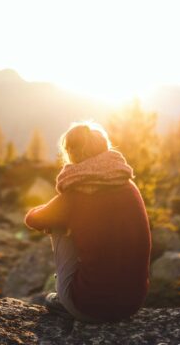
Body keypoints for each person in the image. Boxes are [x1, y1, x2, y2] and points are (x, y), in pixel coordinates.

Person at [24, 122, 151, 322]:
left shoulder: (76, 193)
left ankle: (65, 292)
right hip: (132, 305)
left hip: (88, 308)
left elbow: (33, 219)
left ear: (72, 153)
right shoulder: (128, 185)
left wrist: (58, 211)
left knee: (57, 223)